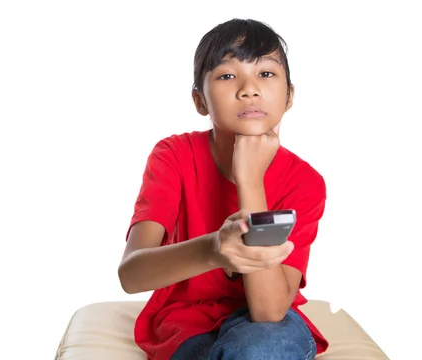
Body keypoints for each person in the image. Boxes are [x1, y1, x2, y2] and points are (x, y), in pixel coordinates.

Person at [117, 18, 329, 360]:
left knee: (265, 346)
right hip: (186, 324)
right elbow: (132, 274)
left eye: (266, 73)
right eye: (227, 75)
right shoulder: (173, 156)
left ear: (289, 96)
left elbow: (269, 311)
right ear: (200, 101)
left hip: (266, 327)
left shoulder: (305, 182)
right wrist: (214, 249)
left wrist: (250, 181)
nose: (249, 89)